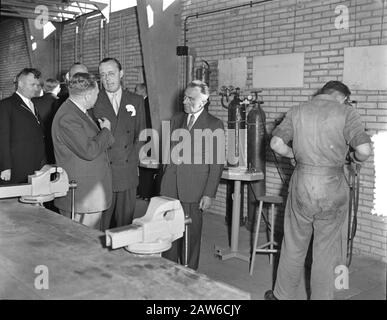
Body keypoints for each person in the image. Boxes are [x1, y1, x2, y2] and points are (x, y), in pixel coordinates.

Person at [265, 81, 372, 300]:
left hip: (302, 184)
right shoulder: (346, 112)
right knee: (327, 250)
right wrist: (352, 157)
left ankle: (281, 296)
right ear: (342, 97)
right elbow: (364, 150)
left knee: (293, 243)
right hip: (332, 185)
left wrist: (294, 155)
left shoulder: (297, 111)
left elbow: (275, 144)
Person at [160, 80, 225, 270]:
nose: (185, 101)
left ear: (203, 101)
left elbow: (217, 164)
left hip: (194, 189)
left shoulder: (214, 124)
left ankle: (189, 273)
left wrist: (209, 193)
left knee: (191, 234)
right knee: (169, 233)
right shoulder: (175, 120)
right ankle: (169, 269)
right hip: (170, 187)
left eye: (191, 98)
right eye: (184, 97)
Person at [51, 72, 114, 230]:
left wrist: (104, 133)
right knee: (82, 248)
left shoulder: (78, 112)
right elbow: (89, 151)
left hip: (89, 195)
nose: (97, 98)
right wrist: (106, 131)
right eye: (97, 94)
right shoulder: (68, 117)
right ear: (88, 95)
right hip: (82, 197)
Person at [93, 58, 145, 230]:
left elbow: (141, 135)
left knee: (125, 226)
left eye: (111, 73)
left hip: (127, 171)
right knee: (101, 226)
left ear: (121, 74)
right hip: (103, 172)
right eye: (103, 75)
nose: (107, 79)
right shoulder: (94, 100)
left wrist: (132, 161)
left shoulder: (136, 100)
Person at [0, 68, 46, 184]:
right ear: (20, 84)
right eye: (33, 84)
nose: (36, 88)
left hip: (35, 164)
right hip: (17, 166)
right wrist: (5, 167)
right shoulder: (6, 105)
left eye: (38, 85)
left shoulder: (32, 104)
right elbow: (2, 138)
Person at [135, 83, 157, 199]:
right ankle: (143, 192)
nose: (135, 93)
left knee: (148, 167)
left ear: (142, 91)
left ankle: (147, 193)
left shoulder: (148, 104)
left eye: (136, 91)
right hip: (144, 139)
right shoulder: (142, 103)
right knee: (143, 167)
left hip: (149, 139)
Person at [32, 78, 61, 164]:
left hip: (36, 142)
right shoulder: (61, 102)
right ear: (58, 89)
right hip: (55, 142)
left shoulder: (32, 101)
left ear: (43, 89)